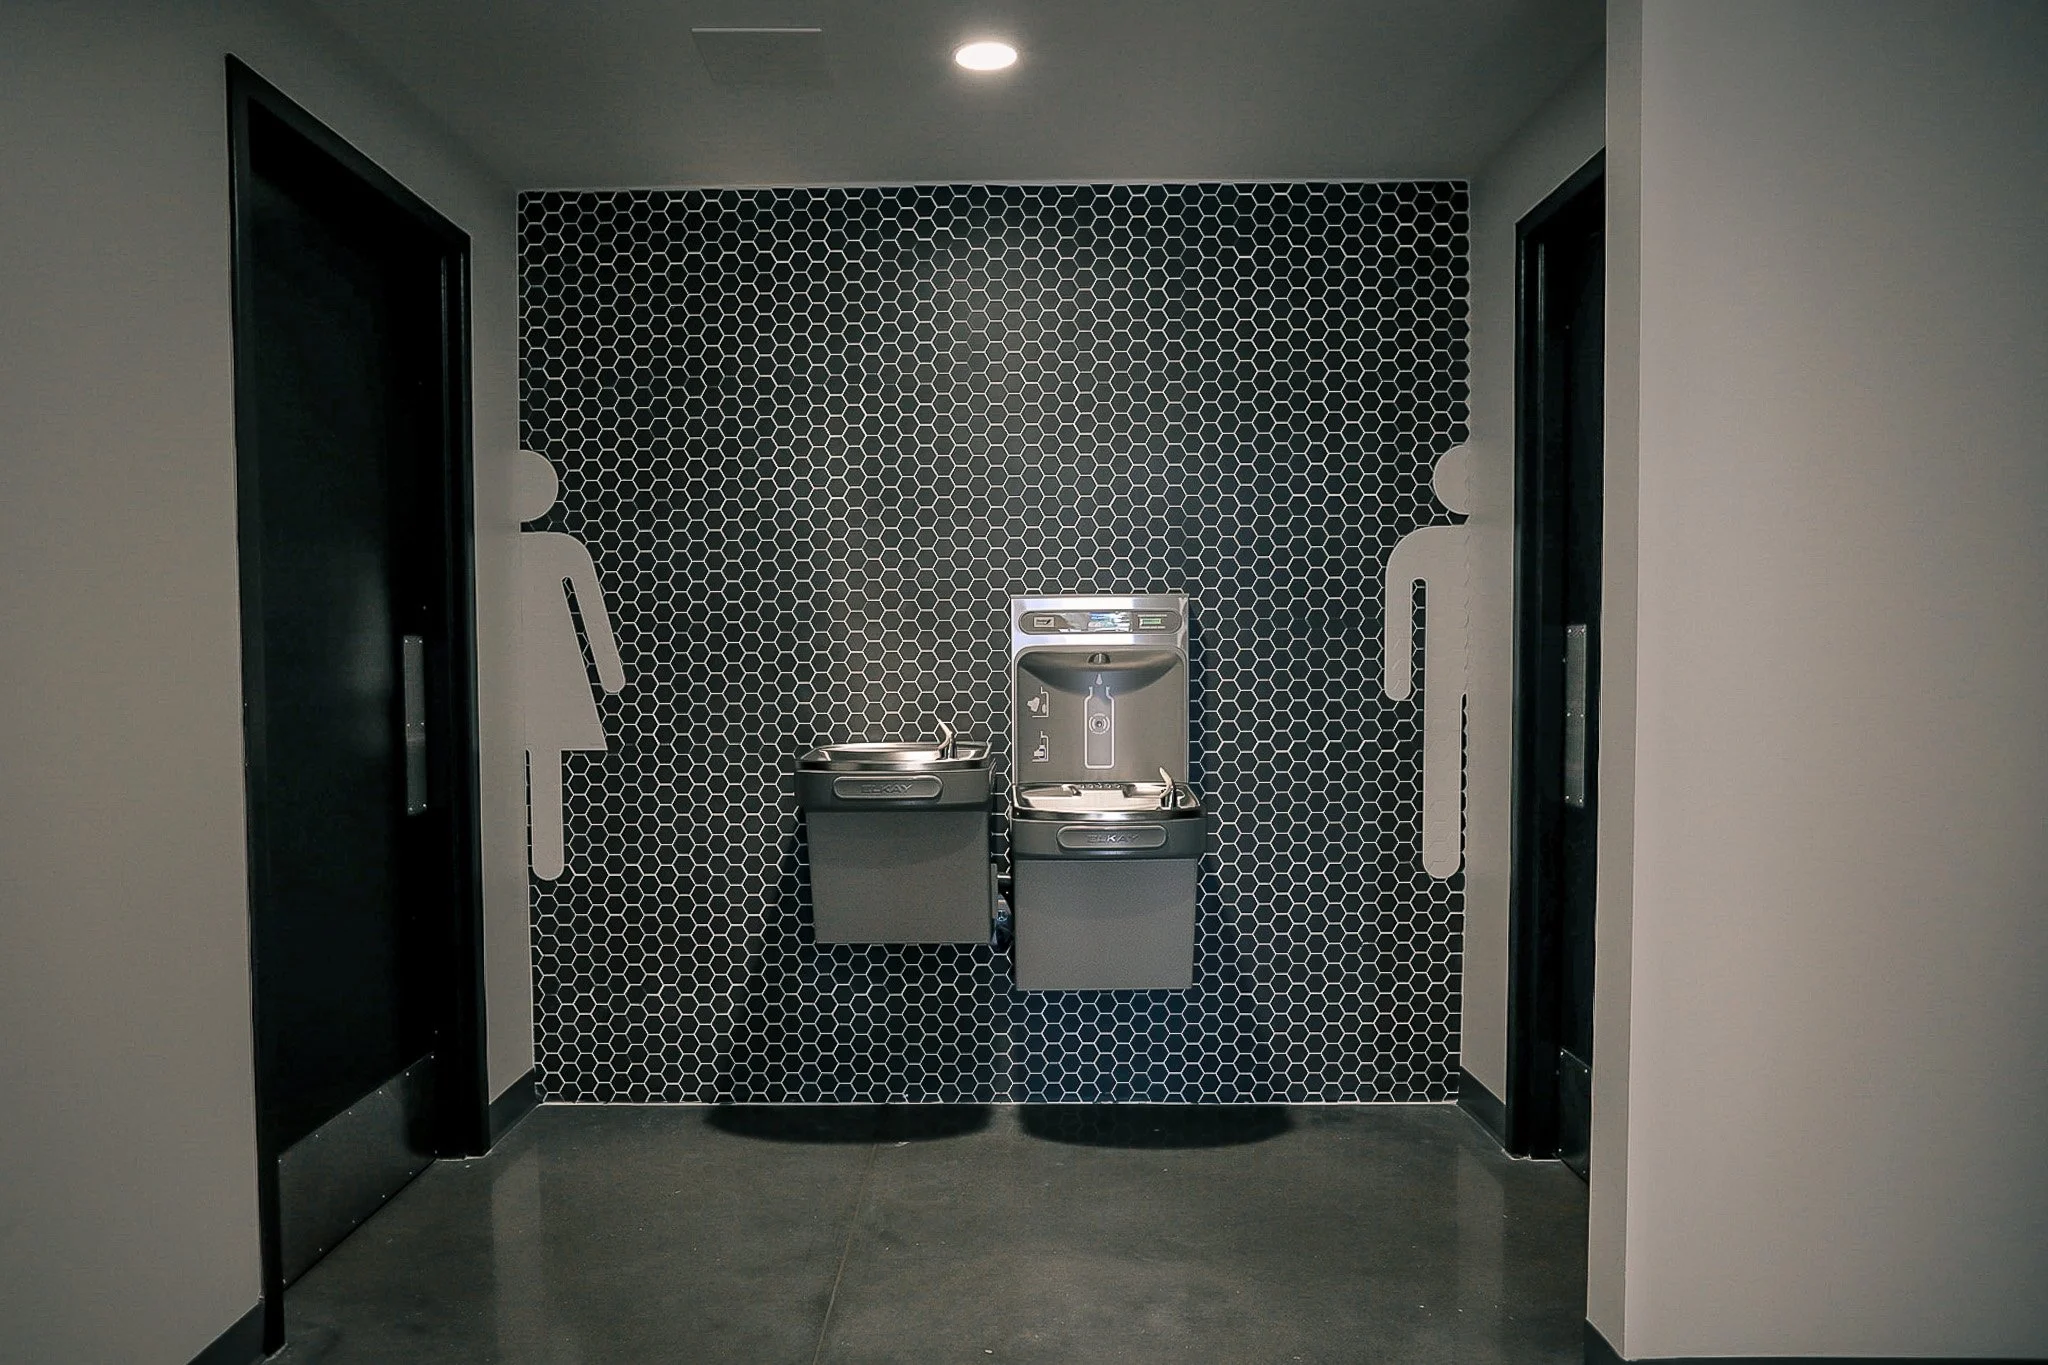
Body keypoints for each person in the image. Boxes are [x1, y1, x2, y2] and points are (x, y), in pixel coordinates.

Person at [515, 449, 624, 881]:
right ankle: (544, 861)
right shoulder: (563, 548)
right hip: (555, 668)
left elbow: (592, 611)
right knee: (543, 755)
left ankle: (544, 862)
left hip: (539, 671)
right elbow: (592, 613)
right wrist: (609, 674)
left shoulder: (551, 549)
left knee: (540, 756)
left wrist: (612, 674)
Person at [1383, 445, 1470, 881]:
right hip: (1448, 660)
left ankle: (1444, 851)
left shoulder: (1427, 543)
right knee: (1444, 746)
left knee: (1447, 746)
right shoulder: (1426, 543)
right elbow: (1399, 602)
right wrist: (1398, 675)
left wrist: (1399, 677)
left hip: (1452, 662)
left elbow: (1398, 599)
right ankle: (1441, 853)